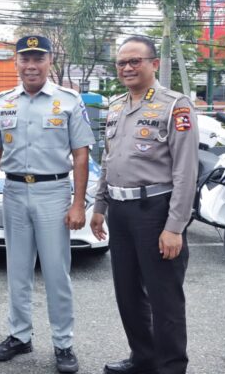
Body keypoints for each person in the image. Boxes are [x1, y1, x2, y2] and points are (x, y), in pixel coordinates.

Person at [0, 35, 95, 373]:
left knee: (57, 272)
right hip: (14, 192)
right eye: (25, 59)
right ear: (16, 63)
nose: (31, 65)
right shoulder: (3, 102)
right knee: (17, 269)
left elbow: (81, 155)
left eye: (38, 59)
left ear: (49, 63)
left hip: (53, 193)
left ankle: (63, 343)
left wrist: (77, 204)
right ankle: (19, 335)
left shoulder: (69, 101)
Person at [90, 36, 198, 374]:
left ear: (154, 63)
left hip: (156, 211)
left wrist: (174, 227)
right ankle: (143, 357)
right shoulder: (117, 105)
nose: (127, 67)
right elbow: (109, 159)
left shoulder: (175, 105)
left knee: (165, 298)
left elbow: (186, 171)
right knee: (127, 293)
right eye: (122, 62)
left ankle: (170, 367)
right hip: (120, 212)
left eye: (135, 61)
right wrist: (99, 205)